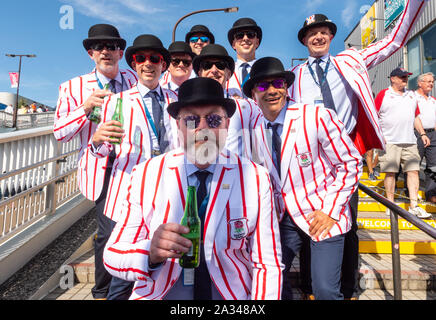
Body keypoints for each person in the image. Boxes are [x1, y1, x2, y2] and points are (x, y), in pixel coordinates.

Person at [288, 0, 429, 299]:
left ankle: (346, 287)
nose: (317, 37)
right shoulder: (295, 76)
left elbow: (395, 40)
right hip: (311, 159)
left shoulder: (351, 60)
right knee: (312, 220)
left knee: (345, 222)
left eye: (323, 32)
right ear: (304, 40)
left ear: (331, 36)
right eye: (311, 33)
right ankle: (312, 287)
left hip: (343, 156)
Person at [103, 77, 283, 300]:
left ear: (227, 124)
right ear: (178, 125)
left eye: (214, 119)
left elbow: (267, 262)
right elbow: (112, 254)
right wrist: (149, 253)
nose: (202, 129)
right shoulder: (146, 174)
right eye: (191, 120)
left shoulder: (255, 177)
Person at [243, 57, 362, 300]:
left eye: (278, 83)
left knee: (325, 290)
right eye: (263, 86)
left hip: (323, 213)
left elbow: (350, 162)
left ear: (286, 88)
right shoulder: (253, 126)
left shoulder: (316, 115)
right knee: (271, 278)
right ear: (254, 93)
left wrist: (329, 210)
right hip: (283, 217)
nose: (272, 91)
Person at [85, 34, 179, 299]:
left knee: (162, 262)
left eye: (155, 59)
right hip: (129, 195)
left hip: (166, 193)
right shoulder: (116, 101)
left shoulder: (176, 100)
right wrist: (96, 141)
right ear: (134, 64)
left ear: (163, 64)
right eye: (141, 58)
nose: (148, 64)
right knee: (125, 269)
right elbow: (103, 149)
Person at [53, 24, 137, 300]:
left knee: (135, 226)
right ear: (90, 53)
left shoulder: (134, 79)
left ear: (121, 52)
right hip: (102, 167)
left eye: (111, 47)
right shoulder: (73, 87)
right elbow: (60, 134)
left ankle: (135, 286)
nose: (106, 51)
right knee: (107, 231)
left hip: (133, 165)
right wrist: (86, 108)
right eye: (99, 47)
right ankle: (103, 292)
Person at [376, 67, 432, 219]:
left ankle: (414, 205)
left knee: (413, 171)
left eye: (406, 77)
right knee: (391, 172)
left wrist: (422, 133)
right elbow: (373, 115)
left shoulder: (411, 96)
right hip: (390, 141)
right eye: (402, 77)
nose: (405, 79)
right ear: (392, 78)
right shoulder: (384, 94)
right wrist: (379, 136)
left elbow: (416, 117)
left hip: (410, 141)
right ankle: (390, 203)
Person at [192, 43, 264, 160]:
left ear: (229, 74)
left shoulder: (248, 107)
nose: (214, 70)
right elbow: (188, 149)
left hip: (239, 175)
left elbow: (262, 150)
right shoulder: (189, 110)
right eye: (207, 65)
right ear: (200, 73)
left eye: (220, 65)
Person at [226, 18, 262, 99]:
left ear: (257, 42)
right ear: (233, 44)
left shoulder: (267, 70)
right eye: (239, 35)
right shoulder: (223, 72)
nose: (245, 38)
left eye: (250, 34)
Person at [415, 72, 436, 202]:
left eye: (432, 82)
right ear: (420, 83)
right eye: (428, 81)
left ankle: (431, 194)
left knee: (433, 166)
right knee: (414, 164)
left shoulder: (433, 100)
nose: (431, 84)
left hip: (432, 134)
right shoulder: (413, 97)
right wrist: (422, 133)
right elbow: (414, 117)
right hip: (416, 134)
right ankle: (412, 192)